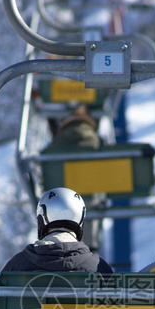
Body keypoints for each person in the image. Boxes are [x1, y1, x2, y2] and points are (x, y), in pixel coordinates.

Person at [43, 105, 105, 252]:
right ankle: (90, 248)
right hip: (91, 198)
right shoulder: (97, 141)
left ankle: (60, 248)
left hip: (62, 199)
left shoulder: (57, 143)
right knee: (91, 203)